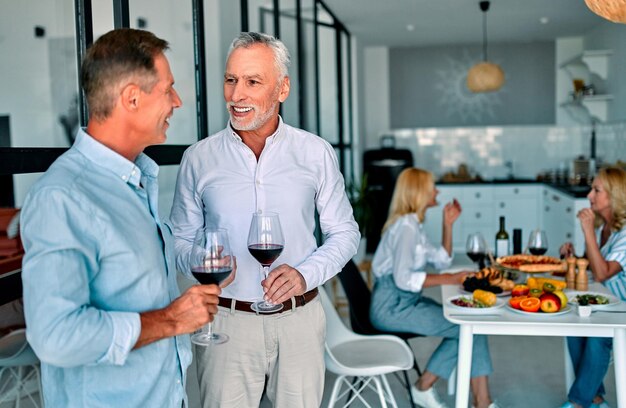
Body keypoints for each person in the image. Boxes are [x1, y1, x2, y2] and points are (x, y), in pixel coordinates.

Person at [20, 28, 227, 407]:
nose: (178, 101)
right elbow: (55, 335)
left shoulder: (137, 182)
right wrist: (171, 320)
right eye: (168, 89)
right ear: (132, 98)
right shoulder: (63, 197)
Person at [169, 31, 359, 407]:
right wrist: (200, 261)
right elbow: (178, 238)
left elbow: (344, 233)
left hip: (299, 321)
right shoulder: (198, 158)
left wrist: (306, 273)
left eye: (253, 82)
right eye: (231, 79)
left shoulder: (315, 153)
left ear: (282, 89)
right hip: (225, 323)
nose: (236, 94)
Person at [369, 167, 499, 408]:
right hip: (392, 307)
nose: (437, 191)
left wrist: (447, 224)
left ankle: (482, 401)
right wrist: (452, 279)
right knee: (466, 326)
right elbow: (404, 279)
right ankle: (427, 387)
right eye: (432, 187)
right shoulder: (406, 229)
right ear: (419, 192)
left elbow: (441, 259)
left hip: (404, 302)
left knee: (471, 325)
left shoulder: (413, 225)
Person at [559, 166, 626, 408]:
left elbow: (603, 272)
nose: (589, 195)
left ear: (614, 195)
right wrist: (575, 257)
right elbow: (593, 267)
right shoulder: (603, 228)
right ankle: (595, 398)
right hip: (604, 304)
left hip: (622, 310)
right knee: (573, 326)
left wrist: (586, 232)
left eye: (596, 190)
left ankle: (578, 402)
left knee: (598, 337)